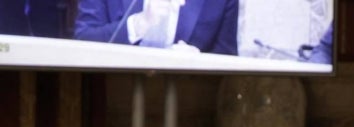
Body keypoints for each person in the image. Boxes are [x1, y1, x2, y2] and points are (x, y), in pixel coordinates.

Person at [74, 0, 238, 55]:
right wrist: (138, 23)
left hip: (188, 107)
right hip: (109, 102)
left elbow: (226, 61)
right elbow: (83, 40)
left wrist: (196, 63)